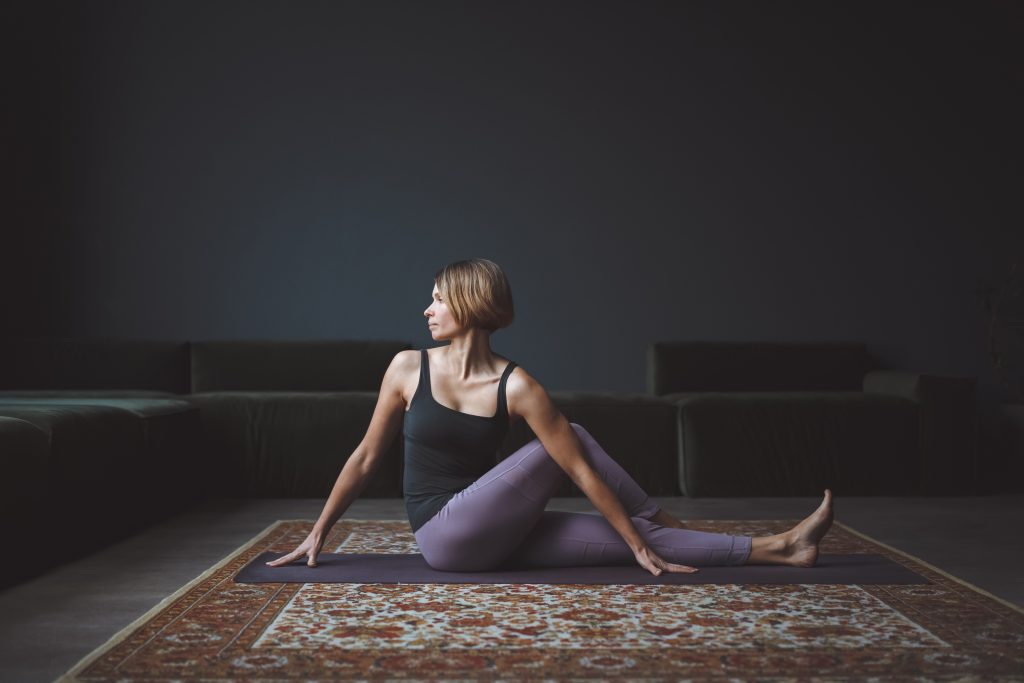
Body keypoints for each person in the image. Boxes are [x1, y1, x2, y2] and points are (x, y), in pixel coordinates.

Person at [267, 258, 834, 576]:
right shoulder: (405, 368)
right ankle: (663, 518)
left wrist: (636, 542)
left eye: (437, 298)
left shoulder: (519, 386)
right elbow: (366, 458)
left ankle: (780, 548)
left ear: (467, 305)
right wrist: (320, 531)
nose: (427, 309)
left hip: (496, 530)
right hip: (444, 536)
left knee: (631, 536)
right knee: (574, 441)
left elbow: (582, 474)